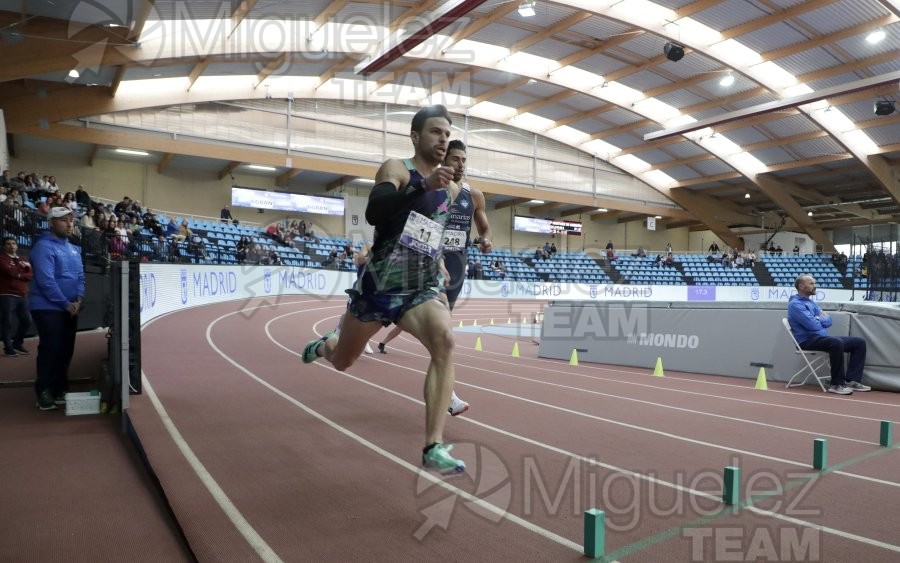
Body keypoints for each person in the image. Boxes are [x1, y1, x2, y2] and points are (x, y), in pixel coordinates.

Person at [301, 105, 466, 474]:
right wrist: (422, 185)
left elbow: (429, 230)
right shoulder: (397, 168)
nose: (442, 139)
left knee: (445, 341)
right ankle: (324, 345)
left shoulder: (452, 189)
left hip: (420, 287)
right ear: (416, 136)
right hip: (379, 287)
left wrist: (437, 261)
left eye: (446, 133)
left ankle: (433, 446)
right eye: (435, 131)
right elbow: (377, 212)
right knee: (343, 360)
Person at [377, 140, 493, 417]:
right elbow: (413, 223)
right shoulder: (431, 189)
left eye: (463, 159)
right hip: (426, 262)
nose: (460, 164)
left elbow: (485, 227)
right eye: (455, 158)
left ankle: (446, 394)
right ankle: (346, 328)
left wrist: (486, 240)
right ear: (444, 161)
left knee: (442, 333)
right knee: (386, 314)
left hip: (456, 266)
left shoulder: (474, 196)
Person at [29, 207, 86, 410]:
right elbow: (46, 281)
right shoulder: (44, 247)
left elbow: (80, 277)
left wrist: (78, 299)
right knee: (50, 349)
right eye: (64, 220)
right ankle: (43, 391)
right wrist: (66, 303)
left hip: (70, 307)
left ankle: (59, 388)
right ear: (51, 222)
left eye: (72, 220)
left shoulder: (74, 248)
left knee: (65, 350)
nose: (70, 224)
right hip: (47, 307)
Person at [787, 275, 869, 395]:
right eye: (811, 284)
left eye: (814, 283)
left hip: (821, 338)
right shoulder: (795, 304)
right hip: (806, 341)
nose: (815, 286)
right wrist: (819, 318)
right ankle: (836, 384)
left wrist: (817, 319)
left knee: (859, 343)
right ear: (801, 286)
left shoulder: (810, 303)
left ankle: (851, 380)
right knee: (836, 343)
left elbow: (829, 320)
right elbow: (813, 326)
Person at [0, 237, 33, 357]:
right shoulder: (2, 258)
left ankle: (17, 343)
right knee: (7, 322)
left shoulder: (23, 258)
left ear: (17, 246)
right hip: (7, 294)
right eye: (8, 244)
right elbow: (9, 271)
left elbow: (30, 274)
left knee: (27, 321)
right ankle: (8, 348)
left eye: (13, 243)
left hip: (22, 294)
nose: (11, 246)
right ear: (4, 246)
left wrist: (20, 273)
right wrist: (21, 272)